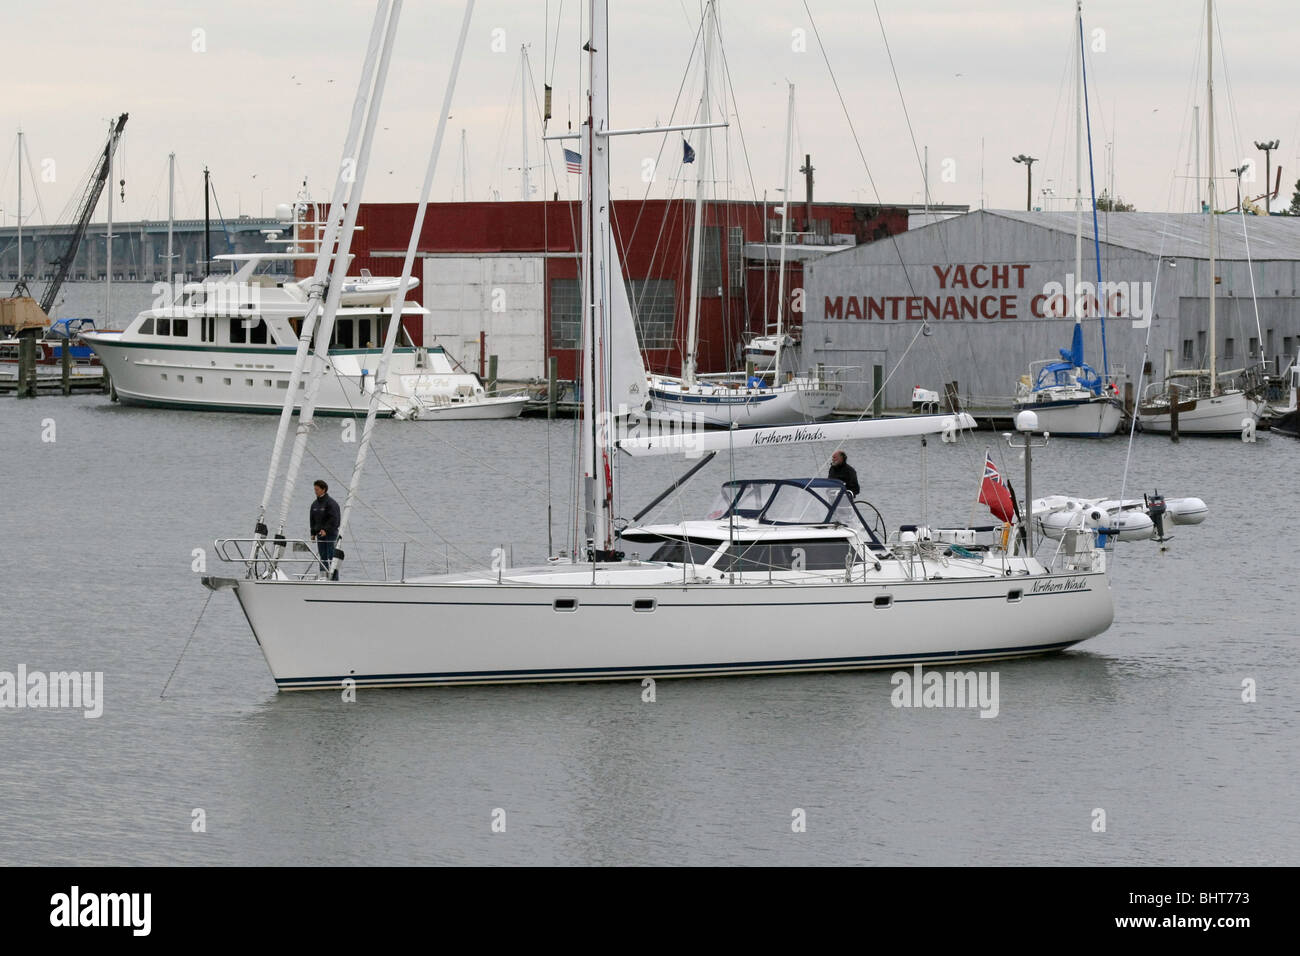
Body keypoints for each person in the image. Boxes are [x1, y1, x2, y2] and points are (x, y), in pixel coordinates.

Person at [309, 479, 341, 580]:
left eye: (317, 489)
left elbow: (334, 519)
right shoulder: (314, 504)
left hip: (330, 534)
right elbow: (312, 519)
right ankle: (324, 577)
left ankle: (334, 579)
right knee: (322, 557)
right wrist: (313, 533)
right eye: (315, 489)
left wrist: (325, 530)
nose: (315, 491)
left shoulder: (331, 503)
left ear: (324, 490)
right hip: (319, 535)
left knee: (332, 557)